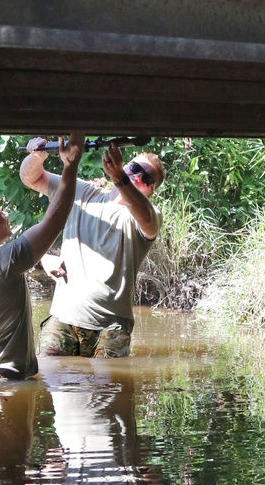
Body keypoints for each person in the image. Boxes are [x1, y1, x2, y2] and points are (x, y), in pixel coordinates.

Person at [0, 132, 84, 381]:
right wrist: (70, 165)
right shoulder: (2, 262)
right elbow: (55, 221)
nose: (6, 213)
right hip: (6, 387)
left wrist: (42, 259)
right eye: (0, 213)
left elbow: (9, 267)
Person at [19, 137, 164, 358]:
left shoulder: (147, 216)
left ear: (150, 192)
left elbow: (147, 219)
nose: (137, 176)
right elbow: (31, 178)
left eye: (146, 179)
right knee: (48, 378)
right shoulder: (81, 191)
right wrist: (36, 156)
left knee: (110, 391)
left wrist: (119, 177)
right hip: (63, 318)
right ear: (125, 164)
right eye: (134, 168)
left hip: (112, 326)